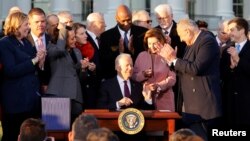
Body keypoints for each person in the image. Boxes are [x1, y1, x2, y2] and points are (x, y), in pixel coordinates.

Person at [157, 18, 222, 141]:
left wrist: (174, 60)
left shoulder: (207, 41)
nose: (181, 39)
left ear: (187, 31)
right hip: (191, 107)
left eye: (181, 35)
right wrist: (170, 61)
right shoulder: (191, 44)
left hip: (204, 108)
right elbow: (184, 69)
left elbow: (195, 68)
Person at [0, 12, 45, 141]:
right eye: (26, 24)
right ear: (17, 25)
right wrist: (34, 61)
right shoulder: (5, 43)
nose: (29, 27)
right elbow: (11, 70)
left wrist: (40, 62)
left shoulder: (26, 42)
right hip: (16, 103)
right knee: (12, 135)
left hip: (31, 101)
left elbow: (33, 68)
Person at [46, 25, 84, 122]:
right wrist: (63, 30)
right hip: (59, 95)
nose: (75, 40)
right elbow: (60, 49)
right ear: (63, 39)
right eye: (72, 38)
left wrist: (84, 68)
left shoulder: (77, 51)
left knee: (75, 132)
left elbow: (77, 75)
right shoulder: (52, 48)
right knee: (57, 131)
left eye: (75, 37)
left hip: (76, 97)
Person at [99, 4, 148, 80]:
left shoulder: (143, 33)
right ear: (116, 19)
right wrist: (119, 53)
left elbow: (146, 57)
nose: (126, 23)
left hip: (138, 79)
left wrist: (133, 51)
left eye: (129, 20)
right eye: (123, 21)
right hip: (116, 80)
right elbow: (104, 61)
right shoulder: (106, 36)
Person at [132, 28, 176, 111]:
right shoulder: (141, 56)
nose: (151, 47)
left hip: (164, 100)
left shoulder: (169, 54)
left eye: (154, 43)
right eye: (149, 43)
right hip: (144, 101)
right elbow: (133, 76)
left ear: (161, 41)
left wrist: (158, 86)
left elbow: (173, 79)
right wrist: (143, 74)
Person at [220, 17, 250, 128]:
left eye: (232, 30)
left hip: (246, 105)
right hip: (230, 104)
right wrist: (231, 67)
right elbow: (222, 74)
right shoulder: (226, 50)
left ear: (242, 30)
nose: (229, 33)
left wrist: (238, 60)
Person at [77, 12, 105, 109]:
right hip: (83, 90)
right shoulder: (78, 47)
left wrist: (94, 69)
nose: (105, 25)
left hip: (95, 87)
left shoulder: (98, 41)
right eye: (102, 23)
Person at [27, 7, 51, 94]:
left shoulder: (52, 40)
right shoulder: (24, 41)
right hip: (30, 89)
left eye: (43, 21)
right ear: (29, 24)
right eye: (37, 22)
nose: (40, 24)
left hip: (51, 88)